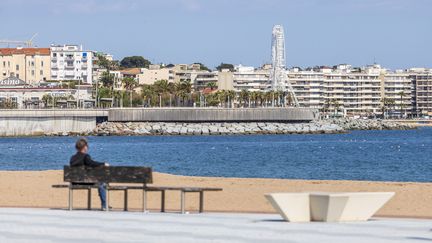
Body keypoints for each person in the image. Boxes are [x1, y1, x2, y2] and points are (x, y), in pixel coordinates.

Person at [70, 138, 110, 210]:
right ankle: (104, 205)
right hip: (86, 181)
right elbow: (92, 163)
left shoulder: (72, 158)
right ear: (85, 147)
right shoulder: (85, 156)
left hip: (74, 181)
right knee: (102, 184)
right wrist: (103, 164)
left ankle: (104, 204)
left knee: (100, 183)